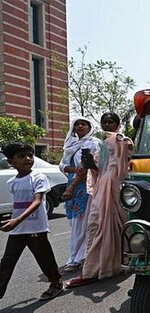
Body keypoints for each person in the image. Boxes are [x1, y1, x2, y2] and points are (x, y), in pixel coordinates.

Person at [66, 112, 132, 288]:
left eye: (111, 122)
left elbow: (124, 164)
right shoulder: (103, 143)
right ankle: (98, 267)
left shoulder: (122, 139)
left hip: (115, 186)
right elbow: (101, 167)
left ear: (117, 124)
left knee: (109, 225)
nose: (107, 125)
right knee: (99, 225)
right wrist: (92, 165)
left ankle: (99, 268)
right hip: (103, 185)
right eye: (104, 122)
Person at [0, 142, 63, 300]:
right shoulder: (12, 182)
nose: (28, 158)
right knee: (7, 262)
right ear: (11, 162)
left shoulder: (38, 177)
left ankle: (56, 283)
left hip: (35, 227)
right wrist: (12, 219)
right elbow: (17, 205)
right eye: (22, 156)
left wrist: (17, 220)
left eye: (30, 155)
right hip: (19, 228)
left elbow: (36, 202)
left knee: (44, 257)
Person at [59, 117, 101, 272]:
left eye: (83, 124)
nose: (79, 126)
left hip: (86, 186)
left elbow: (87, 168)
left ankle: (75, 259)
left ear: (90, 127)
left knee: (81, 222)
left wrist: (71, 187)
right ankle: (82, 255)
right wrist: (73, 170)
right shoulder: (70, 144)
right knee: (75, 222)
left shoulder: (93, 143)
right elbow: (62, 165)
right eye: (76, 124)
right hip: (72, 184)